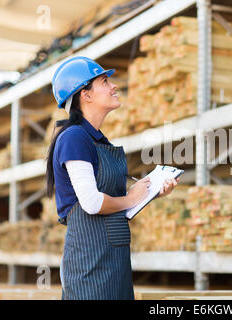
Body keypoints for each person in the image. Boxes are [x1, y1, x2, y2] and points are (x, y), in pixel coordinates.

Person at [46, 56, 178, 300]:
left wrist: (152, 191)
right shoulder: (74, 138)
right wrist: (130, 199)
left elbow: (117, 205)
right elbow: (92, 202)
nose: (114, 86)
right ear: (85, 94)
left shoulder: (98, 140)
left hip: (115, 260)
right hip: (90, 264)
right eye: (105, 81)